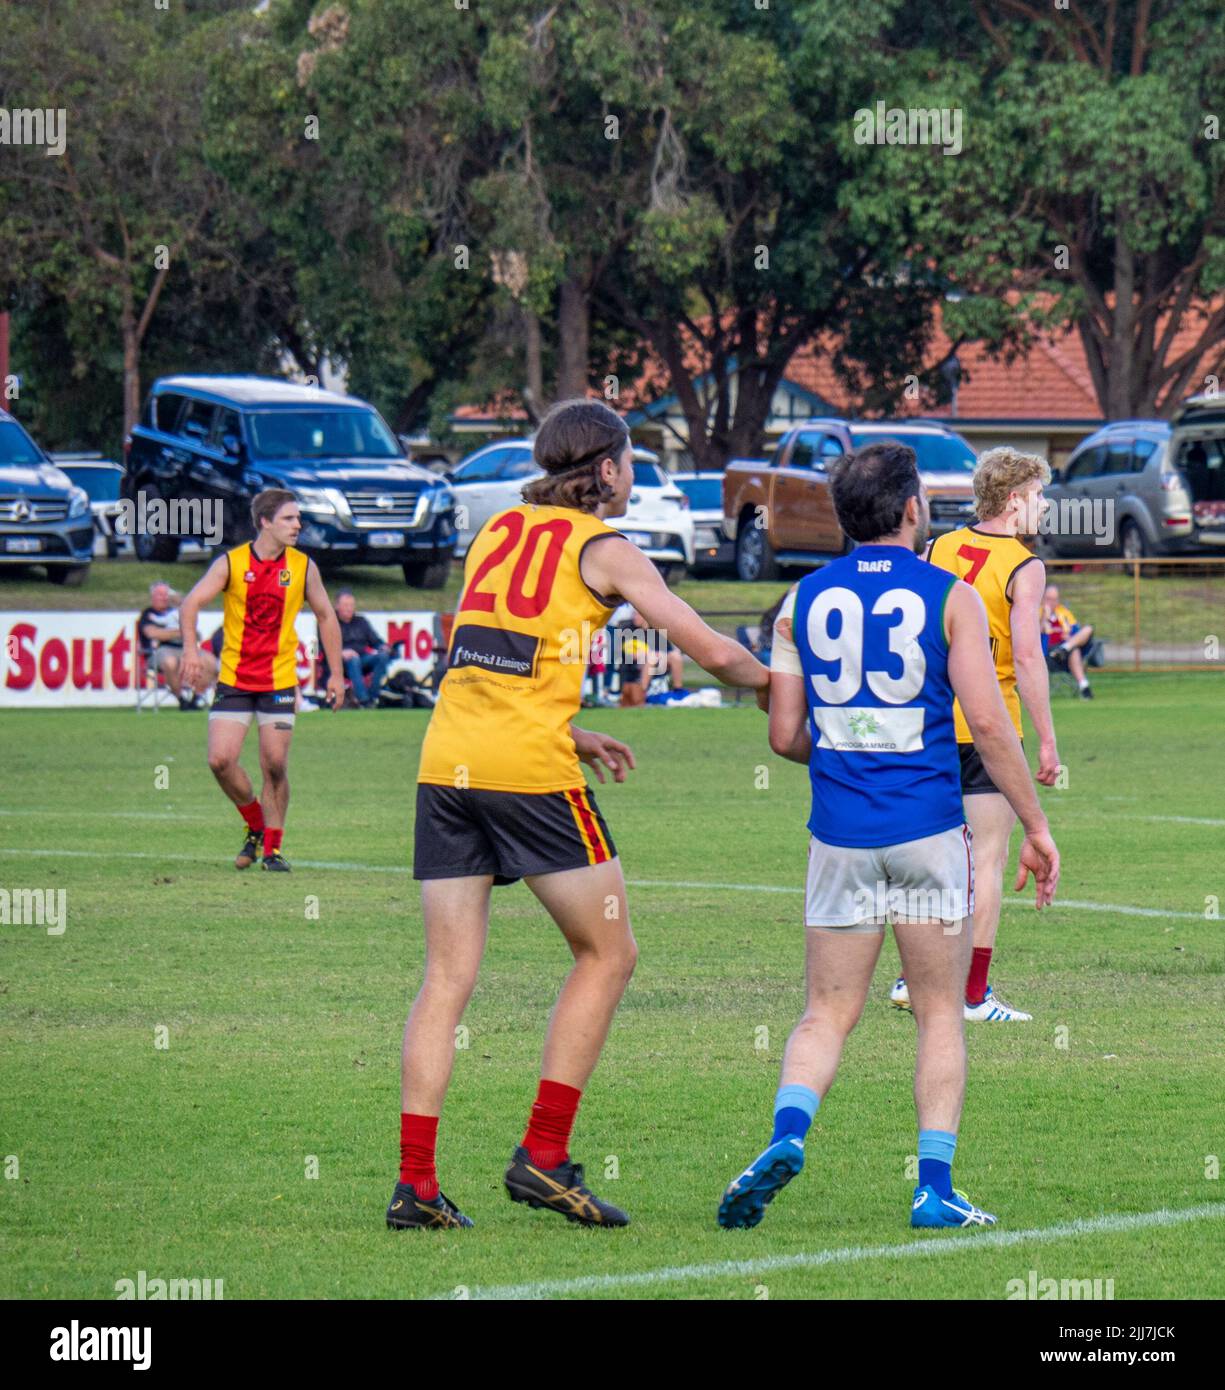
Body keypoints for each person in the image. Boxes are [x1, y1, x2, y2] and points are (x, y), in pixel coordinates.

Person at [388, 398, 769, 1231]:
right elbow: (706, 650)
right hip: (527, 775)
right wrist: (782, 684)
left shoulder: (497, 530)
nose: (632, 477)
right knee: (608, 953)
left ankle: (415, 1185)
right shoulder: (606, 547)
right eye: (629, 463)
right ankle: (543, 1157)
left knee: (446, 979)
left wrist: (573, 725)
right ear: (603, 470)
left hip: (445, 763)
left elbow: (487, 652)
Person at [718, 443, 1059, 1233]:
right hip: (927, 831)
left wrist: (849, 745)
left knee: (824, 1013)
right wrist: (1035, 825)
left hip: (838, 835)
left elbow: (783, 736)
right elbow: (984, 721)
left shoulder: (800, 601)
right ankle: (933, 1186)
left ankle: (785, 1135)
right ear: (911, 509)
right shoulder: (950, 596)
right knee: (939, 1012)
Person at [890, 447, 1059, 1023]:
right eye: (1039, 495)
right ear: (1015, 500)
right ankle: (972, 995)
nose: (1044, 507)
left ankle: (910, 979)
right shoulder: (1023, 565)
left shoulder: (937, 548)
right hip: (990, 727)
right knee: (985, 859)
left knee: (936, 855)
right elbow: (1030, 659)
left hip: (931, 722)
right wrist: (1047, 741)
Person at [179, 489, 346, 872]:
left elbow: (326, 616)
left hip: (280, 681)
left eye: (298, 519)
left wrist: (336, 674)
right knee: (220, 760)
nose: (298, 525)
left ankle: (272, 848)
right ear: (265, 522)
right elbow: (190, 603)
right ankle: (254, 824)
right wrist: (190, 651)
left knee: (274, 764)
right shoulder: (232, 564)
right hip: (235, 681)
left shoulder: (304, 567)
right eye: (289, 519)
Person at [138, 581, 217, 710]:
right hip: (160, 650)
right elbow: (153, 633)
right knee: (170, 662)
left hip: (186, 648)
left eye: (166, 594)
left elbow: (196, 634)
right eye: (160, 594)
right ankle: (181, 700)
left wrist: (177, 632)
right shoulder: (148, 614)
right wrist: (181, 632)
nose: (164, 597)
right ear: (153, 597)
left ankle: (196, 699)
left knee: (210, 662)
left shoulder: (179, 611)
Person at [330, 590, 394, 708]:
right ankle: (364, 700)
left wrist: (383, 647)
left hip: (363, 658)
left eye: (351, 605)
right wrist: (341, 653)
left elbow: (375, 641)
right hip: (340, 662)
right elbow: (322, 646)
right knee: (353, 659)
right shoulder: (330, 622)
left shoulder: (361, 621)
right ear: (337, 606)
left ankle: (373, 696)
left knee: (383, 656)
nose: (349, 608)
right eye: (346, 605)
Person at [1042, 584, 1094, 698]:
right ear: (1043, 598)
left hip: (1064, 652)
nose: (1051, 602)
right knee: (1073, 651)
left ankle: (1064, 649)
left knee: (1087, 630)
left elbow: (1077, 632)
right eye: (1048, 599)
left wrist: (1070, 638)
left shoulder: (1064, 612)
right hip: (1047, 655)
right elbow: (1035, 633)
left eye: (1054, 599)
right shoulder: (1038, 612)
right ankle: (1084, 686)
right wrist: (1044, 618)